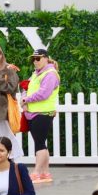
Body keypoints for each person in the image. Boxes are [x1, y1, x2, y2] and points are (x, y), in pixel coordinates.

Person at [24, 49, 61, 184]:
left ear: (46, 58)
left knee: (39, 144)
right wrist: (25, 99)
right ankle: (45, 173)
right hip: (35, 113)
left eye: (38, 58)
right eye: (33, 59)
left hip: (43, 113)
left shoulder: (50, 74)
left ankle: (36, 173)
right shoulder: (36, 74)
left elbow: (43, 94)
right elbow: (26, 87)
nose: (35, 61)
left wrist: (26, 100)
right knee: (41, 143)